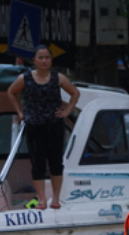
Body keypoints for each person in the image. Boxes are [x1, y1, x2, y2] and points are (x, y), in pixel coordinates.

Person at [6, 45, 81, 210]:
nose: (44, 60)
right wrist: (20, 112)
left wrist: (67, 110)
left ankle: (55, 199)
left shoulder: (58, 78)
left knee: (56, 162)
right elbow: (11, 92)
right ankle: (42, 199)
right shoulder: (25, 78)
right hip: (33, 123)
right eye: (40, 57)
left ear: (51, 59)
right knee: (37, 162)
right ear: (34, 60)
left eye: (47, 57)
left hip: (54, 123)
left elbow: (75, 93)